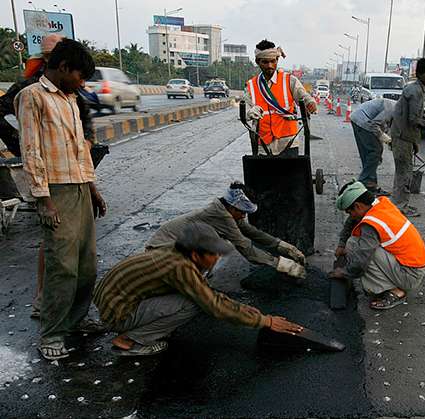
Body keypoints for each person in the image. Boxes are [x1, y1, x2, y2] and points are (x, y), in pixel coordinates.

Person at [15, 38, 106, 360]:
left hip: (79, 186)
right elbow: (31, 151)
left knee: (86, 265)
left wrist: (92, 187)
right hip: (56, 190)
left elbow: (80, 147)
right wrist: (43, 199)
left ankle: (76, 321)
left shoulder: (69, 99)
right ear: (64, 68)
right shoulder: (32, 97)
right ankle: (52, 334)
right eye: (80, 76)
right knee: (62, 267)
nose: (82, 84)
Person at [93, 223, 304, 356]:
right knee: (193, 304)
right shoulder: (180, 267)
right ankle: (131, 340)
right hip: (117, 313)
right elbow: (213, 304)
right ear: (195, 254)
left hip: (113, 301)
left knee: (197, 294)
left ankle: (133, 329)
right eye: (213, 254)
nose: (217, 258)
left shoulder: (172, 253)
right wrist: (265, 321)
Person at [145, 182, 307, 280]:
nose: (243, 216)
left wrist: (284, 246)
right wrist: (284, 265)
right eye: (242, 212)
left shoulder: (227, 211)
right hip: (162, 249)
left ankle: (193, 278)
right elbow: (247, 249)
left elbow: (252, 232)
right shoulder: (221, 215)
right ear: (231, 206)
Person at [329, 181, 425, 310]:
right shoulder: (381, 203)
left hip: (409, 275)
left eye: (350, 212)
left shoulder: (371, 224)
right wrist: (341, 244)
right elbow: (352, 221)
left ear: (358, 206)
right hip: (415, 267)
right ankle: (393, 283)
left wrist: (344, 272)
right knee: (353, 243)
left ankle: (393, 291)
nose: (350, 216)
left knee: (355, 246)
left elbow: (361, 261)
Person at [1, 34, 94, 158]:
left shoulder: (70, 86)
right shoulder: (29, 89)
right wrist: (18, 144)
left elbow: (85, 116)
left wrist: (87, 142)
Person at [244, 39, 317, 156]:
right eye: (265, 62)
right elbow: (245, 110)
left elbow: (303, 96)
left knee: (291, 174)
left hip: (288, 141)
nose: (270, 66)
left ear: (277, 60)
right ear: (258, 62)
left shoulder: (289, 80)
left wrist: (310, 103)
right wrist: (249, 112)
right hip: (263, 143)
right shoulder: (251, 85)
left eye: (273, 61)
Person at [389, 57, 425, 217]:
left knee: (402, 173)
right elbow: (413, 120)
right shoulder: (415, 92)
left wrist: (415, 142)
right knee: (404, 174)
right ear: (420, 74)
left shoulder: (416, 89)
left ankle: (398, 205)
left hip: (403, 137)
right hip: (402, 138)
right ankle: (400, 208)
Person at [349, 98, 396, 196]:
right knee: (375, 152)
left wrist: (386, 138)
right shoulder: (391, 109)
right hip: (364, 121)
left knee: (368, 154)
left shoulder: (393, 109)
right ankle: (361, 183)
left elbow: (383, 127)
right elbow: (375, 125)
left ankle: (370, 186)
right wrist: (386, 140)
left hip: (357, 118)